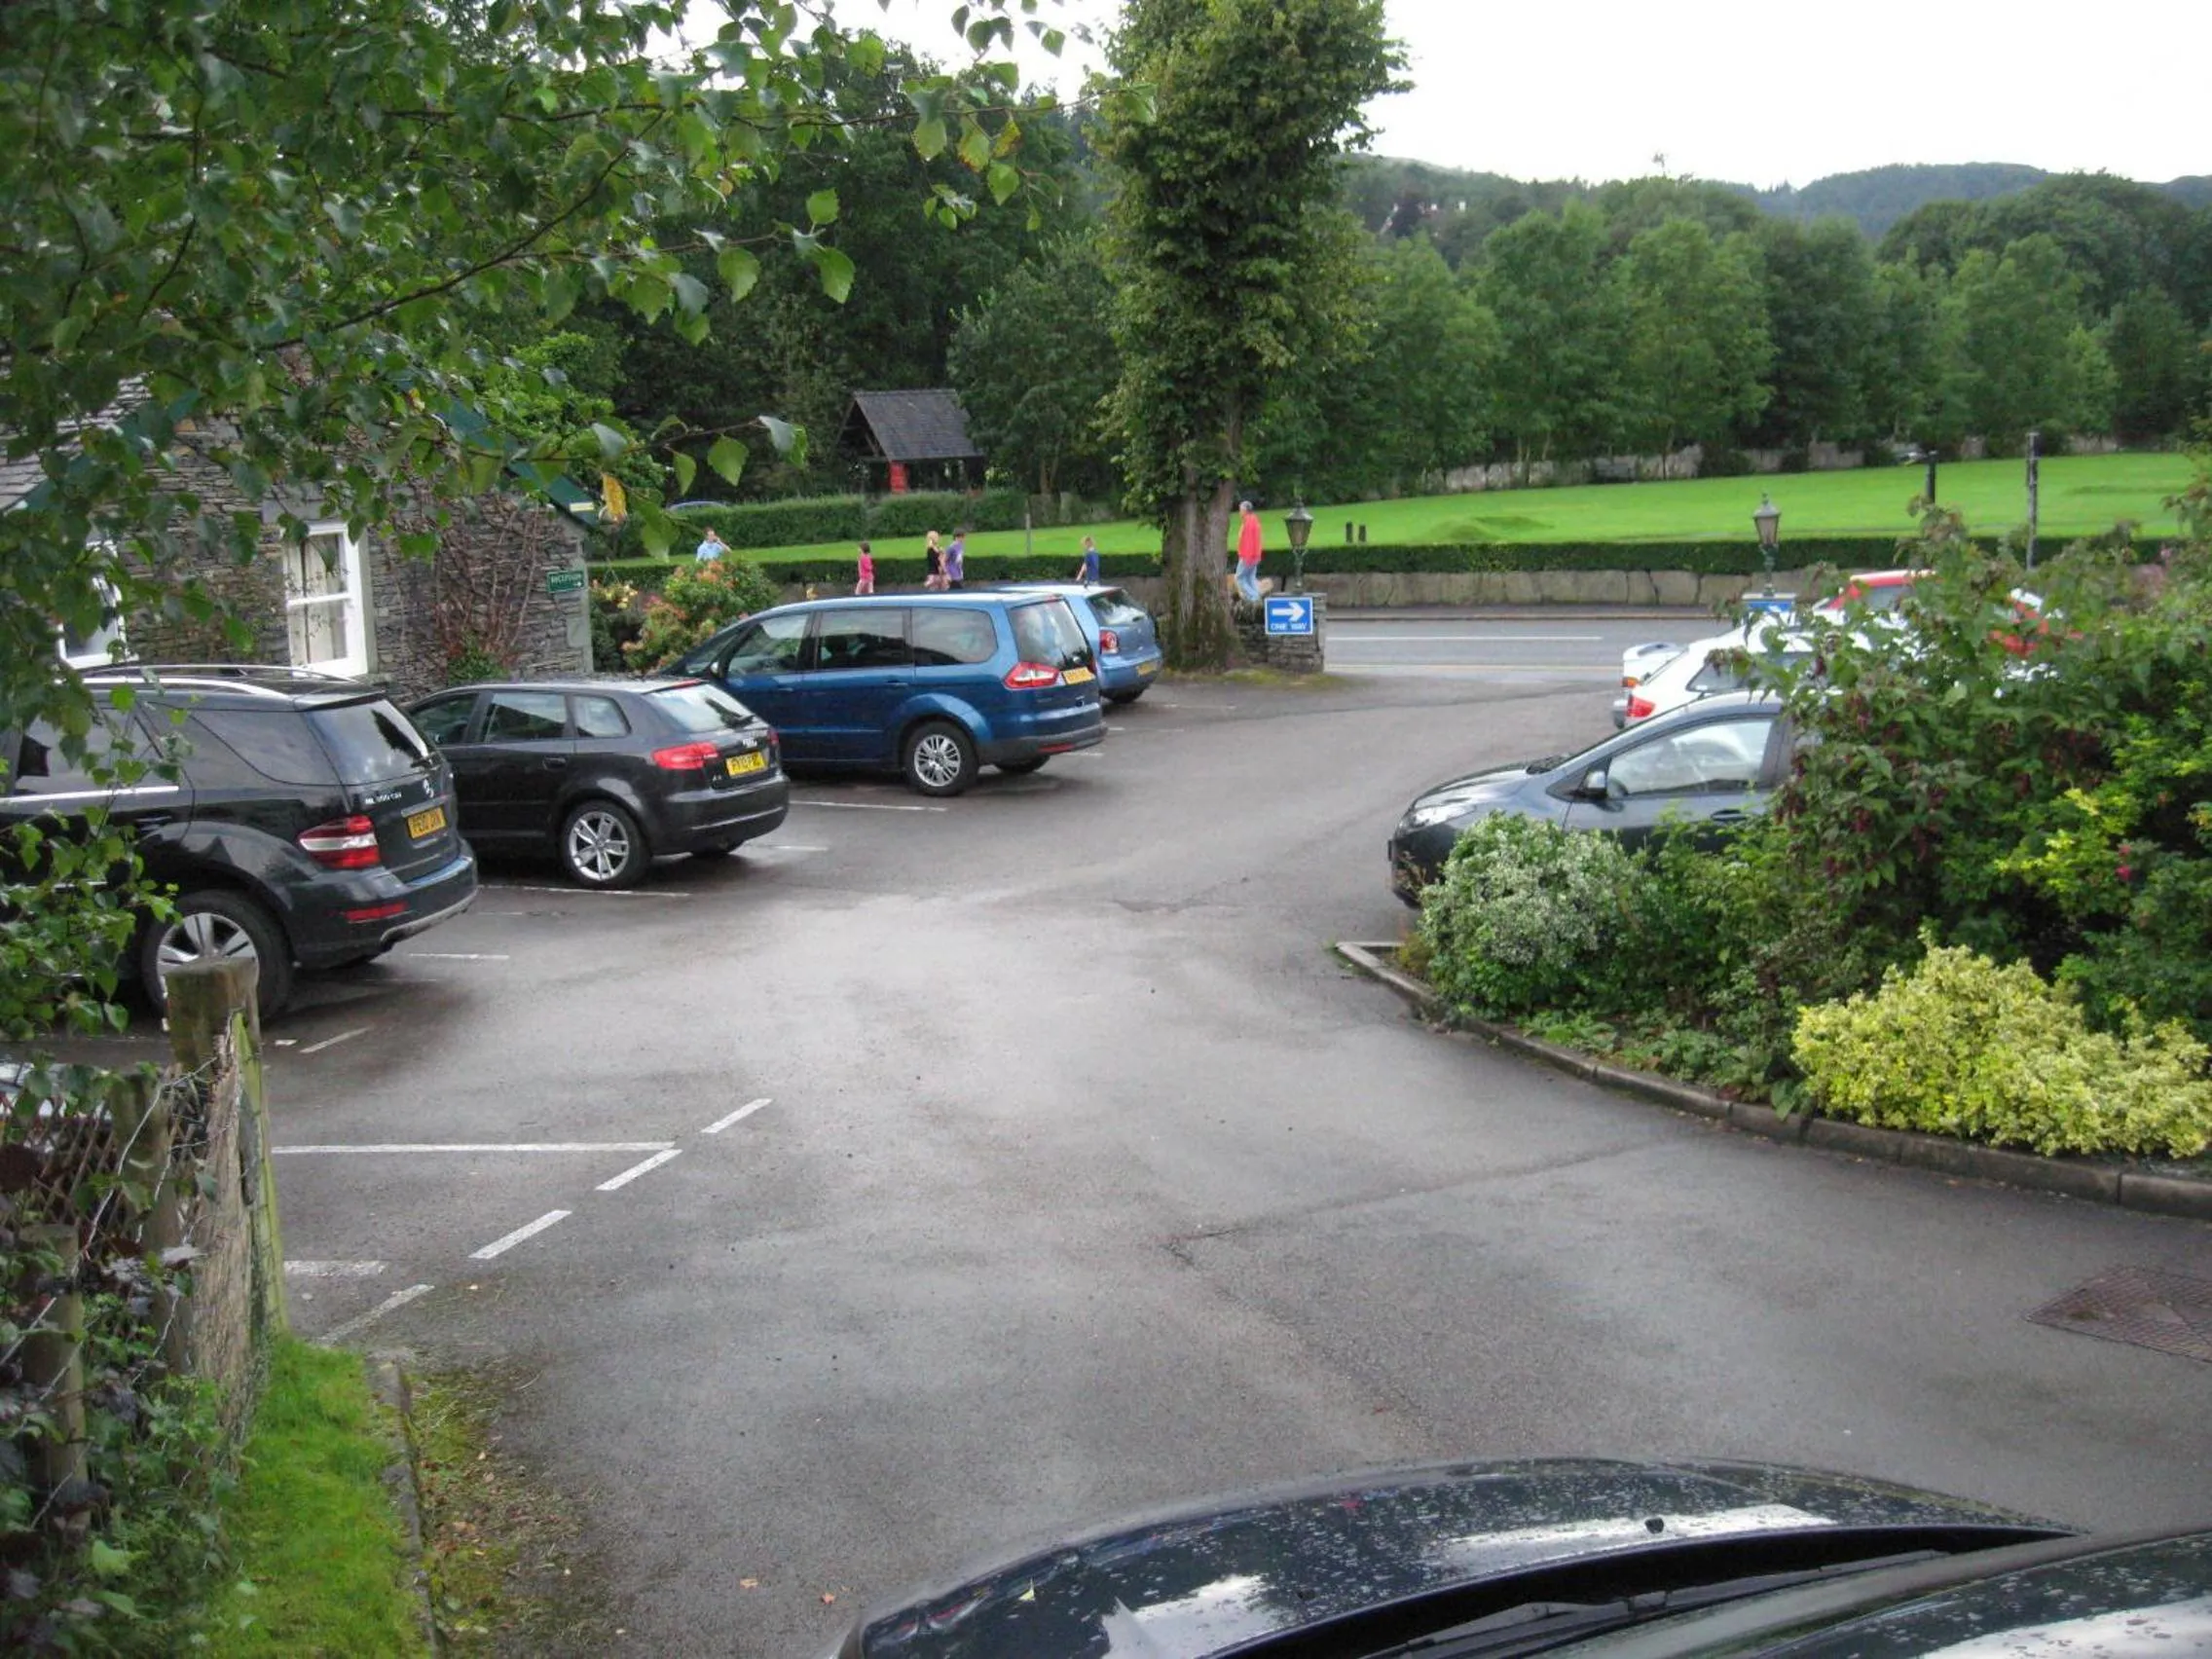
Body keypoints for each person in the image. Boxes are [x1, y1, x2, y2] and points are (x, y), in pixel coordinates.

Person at [1234, 500, 1263, 604]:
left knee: (1239, 578)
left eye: (1241, 510)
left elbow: (1249, 541)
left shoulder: (1249, 523)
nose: (1239, 512)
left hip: (1248, 556)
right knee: (1250, 577)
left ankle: (1254, 597)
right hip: (1254, 556)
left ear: (1245, 510)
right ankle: (1256, 598)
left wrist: (1247, 557)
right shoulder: (1254, 520)